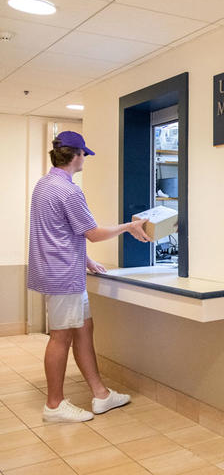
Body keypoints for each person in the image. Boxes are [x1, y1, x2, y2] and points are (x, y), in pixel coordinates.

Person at [27, 130, 152, 422]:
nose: (85, 159)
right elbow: (92, 234)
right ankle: (54, 406)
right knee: (60, 338)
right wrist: (129, 227)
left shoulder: (44, 185)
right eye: (84, 154)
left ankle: (101, 395)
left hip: (61, 269)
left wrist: (87, 260)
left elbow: (58, 232)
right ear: (76, 155)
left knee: (84, 329)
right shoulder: (70, 191)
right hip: (63, 276)